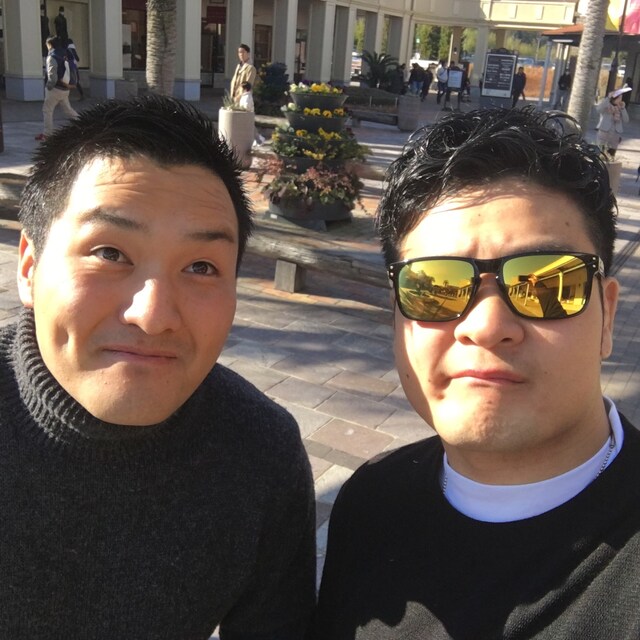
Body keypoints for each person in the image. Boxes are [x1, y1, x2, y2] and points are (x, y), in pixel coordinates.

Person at [310, 106, 640, 638]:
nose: (486, 326)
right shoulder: (371, 501)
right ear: (397, 316)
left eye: (547, 283)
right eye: (435, 287)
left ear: (607, 316)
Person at [5, 95, 315, 638]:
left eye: (201, 267)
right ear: (29, 267)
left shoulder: (260, 453)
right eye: (109, 253)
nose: (152, 316)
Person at [35, 35, 78, 142]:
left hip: (55, 89)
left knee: (47, 110)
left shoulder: (52, 57)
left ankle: (47, 134)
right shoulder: (66, 53)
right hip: (66, 88)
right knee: (68, 110)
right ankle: (83, 123)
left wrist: (49, 87)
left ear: (49, 44)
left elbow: (52, 76)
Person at [596, 87, 630, 159]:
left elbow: (626, 120)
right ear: (614, 97)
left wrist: (623, 109)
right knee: (600, 152)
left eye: (621, 98)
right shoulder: (606, 105)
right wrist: (608, 98)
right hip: (604, 131)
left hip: (615, 133)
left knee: (611, 154)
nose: (620, 99)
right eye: (619, 97)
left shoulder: (621, 107)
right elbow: (598, 109)